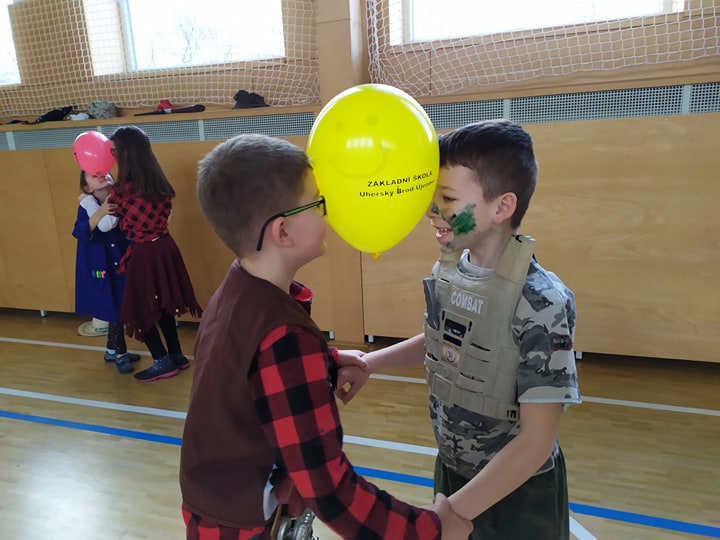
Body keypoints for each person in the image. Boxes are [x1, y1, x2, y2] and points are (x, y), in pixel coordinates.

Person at [179, 133, 472, 540]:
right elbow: (330, 491)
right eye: (317, 202)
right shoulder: (283, 336)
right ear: (283, 232)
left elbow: (247, 381)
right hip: (240, 524)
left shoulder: (239, 289)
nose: (328, 210)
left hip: (221, 505)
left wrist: (324, 365)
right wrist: (431, 530)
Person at [337, 120, 582, 540]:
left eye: (447, 198)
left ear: (502, 207)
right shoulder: (450, 269)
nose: (431, 212)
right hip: (454, 472)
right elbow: (444, 341)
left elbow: (536, 442)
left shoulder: (541, 303)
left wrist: (452, 514)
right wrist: (370, 362)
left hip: (519, 493)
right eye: (432, 198)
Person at [107, 125, 202, 382]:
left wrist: (91, 200)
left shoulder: (121, 191)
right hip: (165, 247)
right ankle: (176, 355)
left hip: (145, 253)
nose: (112, 156)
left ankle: (161, 360)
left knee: (138, 307)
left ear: (126, 153)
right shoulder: (158, 183)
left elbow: (109, 223)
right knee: (163, 304)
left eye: (114, 151)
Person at [72, 170, 140, 373]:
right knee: (114, 309)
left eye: (104, 172)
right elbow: (80, 231)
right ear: (87, 188)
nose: (101, 175)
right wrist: (100, 212)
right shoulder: (86, 206)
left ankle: (111, 350)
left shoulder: (121, 200)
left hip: (120, 262)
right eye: (94, 176)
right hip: (101, 267)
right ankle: (120, 354)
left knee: (118, 305)